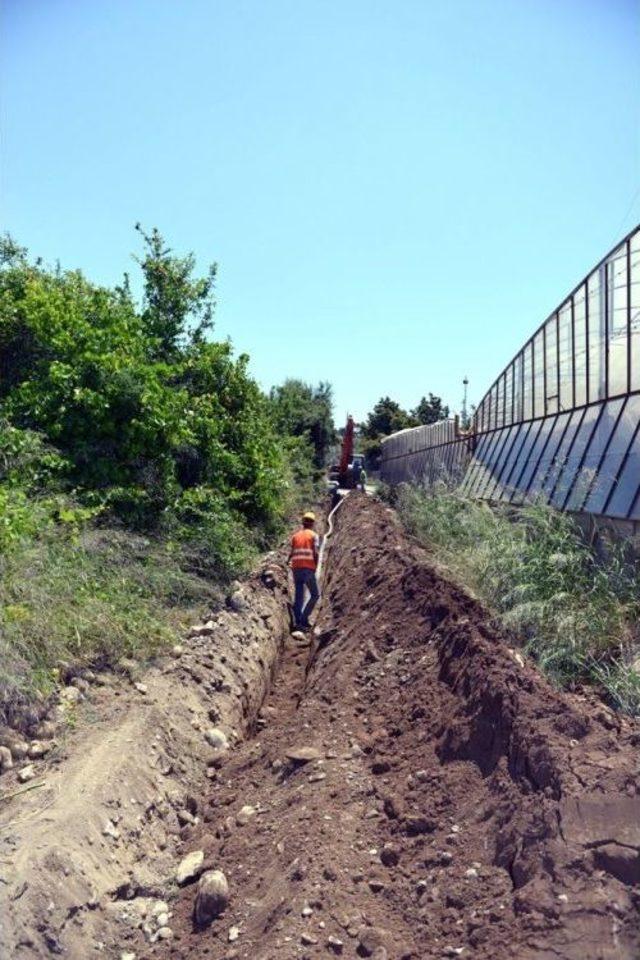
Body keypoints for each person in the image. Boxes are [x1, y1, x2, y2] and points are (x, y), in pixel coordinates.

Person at [289, 511, 320, 631]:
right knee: (315, 595)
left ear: (303, 522)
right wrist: (315, 566)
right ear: (312, 523)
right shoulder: (314, 535)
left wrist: (288, 561)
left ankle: (297, 622)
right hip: (308, 568)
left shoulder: (295, 536)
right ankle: (304, 619)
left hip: (296, 569)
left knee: (299, 596)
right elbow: (316, 552)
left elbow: (291, 553)